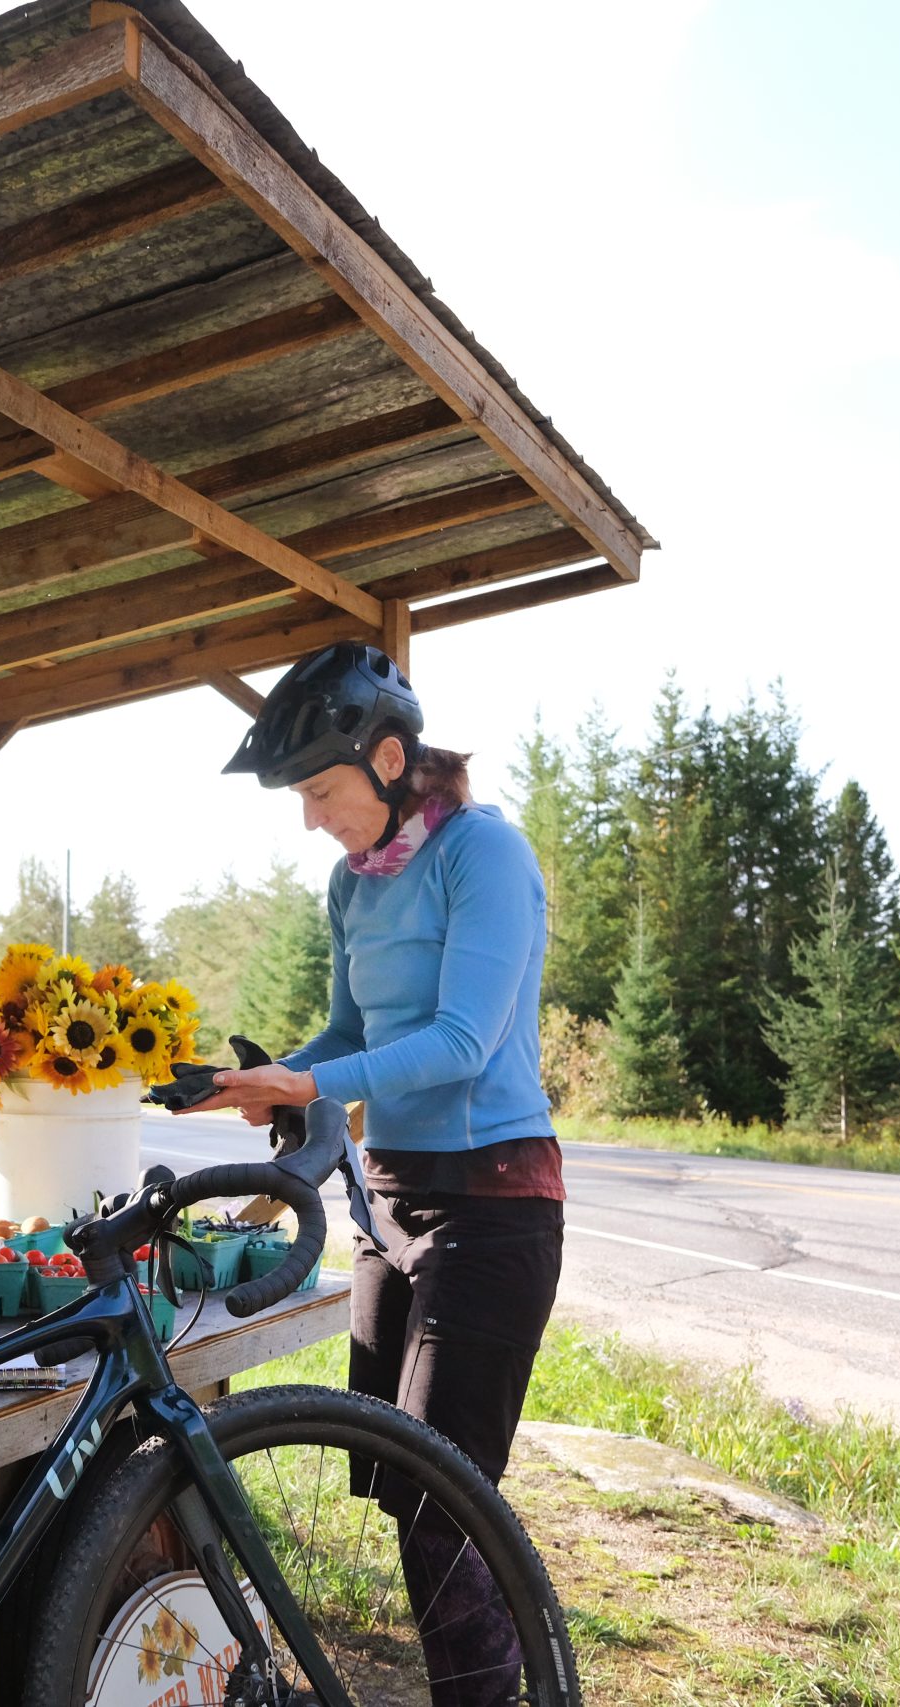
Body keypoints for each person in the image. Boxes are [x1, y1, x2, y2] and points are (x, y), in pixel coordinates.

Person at [179, 641, 563, 1703]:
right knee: (401, 1484)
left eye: (319, 790)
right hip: (388, 1198)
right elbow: (347, 1031)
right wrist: (251, 1083)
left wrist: (315, 1090)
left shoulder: (482, 855)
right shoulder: (352, 883)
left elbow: (461, 1042)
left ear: (390, 758)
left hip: (492, 1202)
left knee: (448, 1497)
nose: (310, 817)